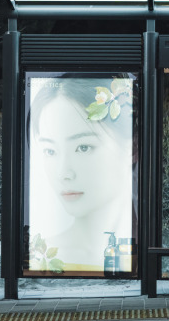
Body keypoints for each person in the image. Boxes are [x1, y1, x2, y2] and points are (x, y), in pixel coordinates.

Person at [27, 75, 138, 273]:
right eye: (50, 151)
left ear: (131, 147)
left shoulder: (150, 242)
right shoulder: (44, 255)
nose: (64, 173)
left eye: (83, 147)